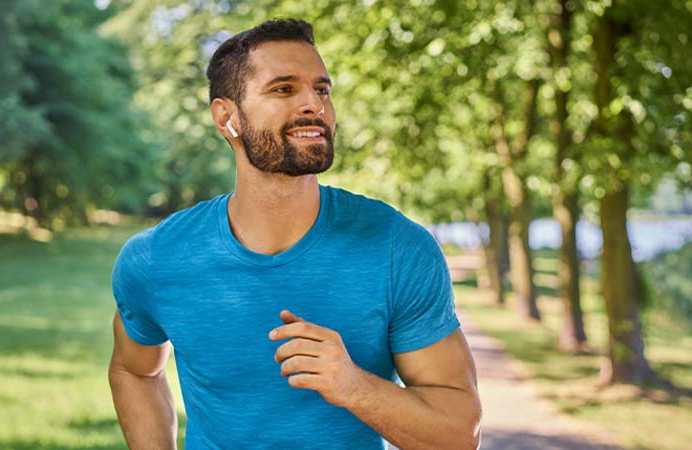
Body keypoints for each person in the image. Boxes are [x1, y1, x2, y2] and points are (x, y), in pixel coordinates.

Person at [109, 18, 482, 450]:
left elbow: (459, 434)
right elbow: (134, 370)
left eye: (321, 90)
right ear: (226, 117)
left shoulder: (397, 248)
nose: (313, 104)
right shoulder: (157, 259)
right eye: (284, 89)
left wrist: (353, 386)